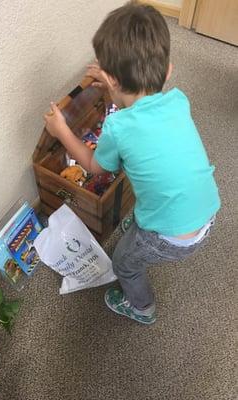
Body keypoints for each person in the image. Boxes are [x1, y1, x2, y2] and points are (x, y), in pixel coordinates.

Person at [44, 2, 220, 325]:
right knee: (151, 199)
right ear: (168, 70)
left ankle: (142, 307)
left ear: (111, 80)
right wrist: (112, 85)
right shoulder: (179, 100)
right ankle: (142, 227)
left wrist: (62, 130)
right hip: (207, 212)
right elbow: (145, 123)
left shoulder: (118, 127)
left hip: (171, 235)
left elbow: (96, 167)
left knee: (123, 262)